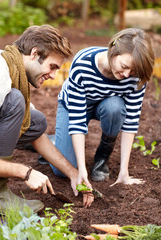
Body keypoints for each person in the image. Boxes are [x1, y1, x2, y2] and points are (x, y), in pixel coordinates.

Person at [0, 25, 94, 215]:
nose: (53, 75)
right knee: (14, 103)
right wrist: (25, 172)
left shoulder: (10, 66)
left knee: (34, 121)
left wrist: (73, 173)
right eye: (52, 67)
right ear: (34, 54)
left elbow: (36, 134)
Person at [52, 28, 155, 188]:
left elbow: (131, 121)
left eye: (133, 71)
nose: (126, 75)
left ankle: (101, 159)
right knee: (61, 171)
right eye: (124, 66)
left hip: (107, 106)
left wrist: (124, 172)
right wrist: (81, 170)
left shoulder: (136, 77)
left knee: (115, 108)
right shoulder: (83, 63)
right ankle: (53, 142)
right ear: (114, 49)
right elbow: (77, 119)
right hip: (74, 106)